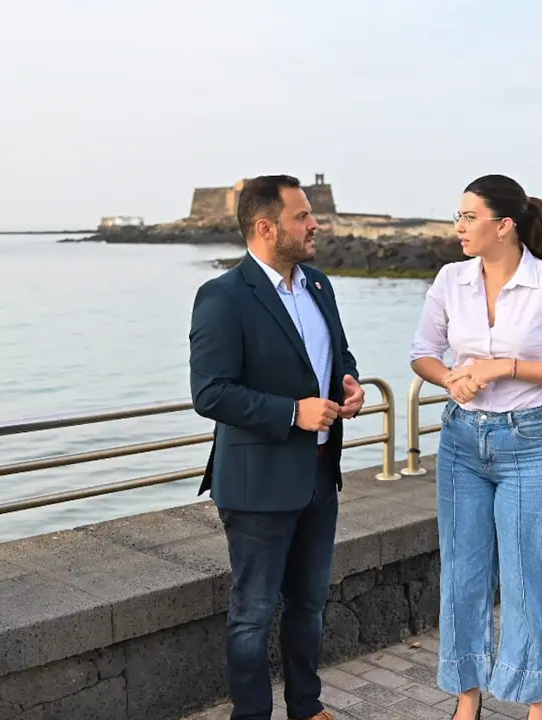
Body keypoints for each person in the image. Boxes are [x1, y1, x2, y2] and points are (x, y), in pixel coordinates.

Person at [409, 174, 542, 720]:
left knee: (526, 579)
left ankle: (540, 708)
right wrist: (449, 379)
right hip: (461, 441)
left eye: (470, 217)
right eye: (459, 216)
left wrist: (506, 367)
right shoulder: (451, 279)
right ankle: (467, 703)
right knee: (462, 576)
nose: (460, 226)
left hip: (532, 443)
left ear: (505, 224)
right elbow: (423, 351)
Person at [189, 174, 364, 720]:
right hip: (257, 483)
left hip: (318, 474)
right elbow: (210, 392)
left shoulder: (318, 285)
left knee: (309, 603)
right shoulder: (221, 298)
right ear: (266, 227)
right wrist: (293, 413)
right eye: (302, 216)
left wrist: (349, 381)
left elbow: (335, 353)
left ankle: (306, 708)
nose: (316, 224)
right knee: (253, 612)